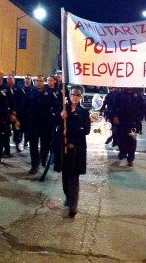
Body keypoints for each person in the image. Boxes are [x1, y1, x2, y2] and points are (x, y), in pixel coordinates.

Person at [60, 85, 91, 217]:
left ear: (81, 97)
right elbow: (54, 124)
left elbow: (86, 130)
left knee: (74, 177)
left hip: (77, 148)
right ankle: (68, 196)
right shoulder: (64, 110)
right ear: (69, 95)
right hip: (64, 146)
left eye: (77, 95)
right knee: (65, 176)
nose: (75, 97)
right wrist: (60, 117)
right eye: (73, 95)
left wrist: (71, 131)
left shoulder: (84, 112)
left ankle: (73, 206)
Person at [24, 75, 57, 174]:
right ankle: (34, 164)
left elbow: (57, 105)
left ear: (44, 82)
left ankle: (43, 157)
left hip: (46, 123)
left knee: (45, 144)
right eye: (37, 81)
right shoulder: (30, 93)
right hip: (33, 122)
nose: (39, 82)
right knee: (33, 145)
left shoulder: (50, 93)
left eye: (41, 81)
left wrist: (55, 118)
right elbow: (24, 107)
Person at [112, 88, 144, 166]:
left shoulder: (138, 95)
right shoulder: (119, 95)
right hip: (122, 121)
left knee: (132, 140)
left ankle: (130, 158)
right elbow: (113, 107)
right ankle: (122, 152)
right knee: (122, 139)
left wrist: (139, 118)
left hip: (134, 122)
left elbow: (143, 108)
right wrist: (114, 116)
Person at [0, 70, 13, 163]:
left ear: (0, 77)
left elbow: (11, 101)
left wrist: (13, 113)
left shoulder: (6, 88)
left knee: (1, 137)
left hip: (3, 116)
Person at [7, 74, 22, 152]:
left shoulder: (19, 90)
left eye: (11, 79)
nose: (9, 80)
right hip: (7, 113)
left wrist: (17, 113)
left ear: (14, 80)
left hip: (16, 113)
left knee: (16, 129)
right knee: (6, 130)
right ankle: (6, 148)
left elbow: (22, 102)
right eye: (8, 79)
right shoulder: (5, 89)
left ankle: (18, 143)